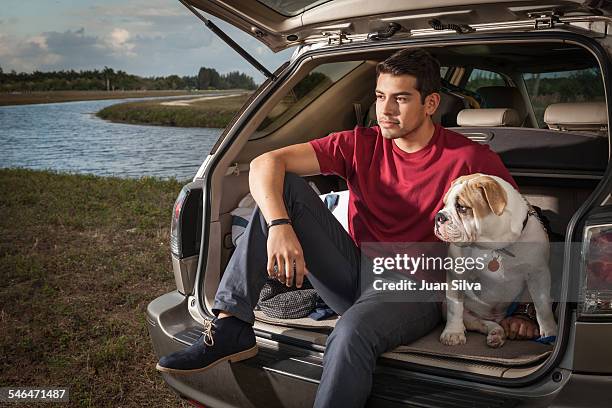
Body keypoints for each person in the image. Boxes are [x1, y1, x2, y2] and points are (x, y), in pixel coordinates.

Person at [156, 48, 539, 407]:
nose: (385, 110)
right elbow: (263, 163)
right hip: (356, 270)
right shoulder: (361, 144)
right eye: (379, 96)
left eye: (401, 99)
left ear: (431, 103)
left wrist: (523, 310)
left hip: (418, 287)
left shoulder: (470, 159)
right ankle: (231, 327)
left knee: (351, 331)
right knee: (284, 186)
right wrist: (279, 226)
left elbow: (520, 231)